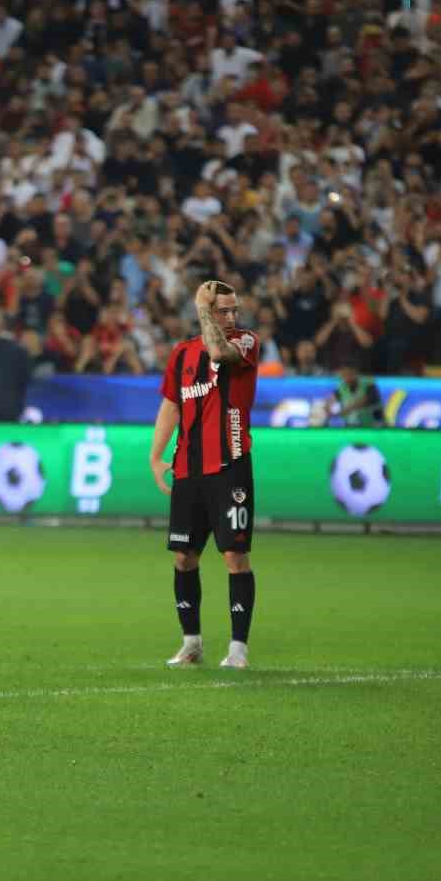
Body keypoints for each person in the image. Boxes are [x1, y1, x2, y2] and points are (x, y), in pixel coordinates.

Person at [149, 280, 260, 670]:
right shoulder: (181, 355)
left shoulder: (245, 343)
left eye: (234, 310)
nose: (231, 318)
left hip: (230, 468)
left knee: (235, 556)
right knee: (183, 557)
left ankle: (238, 649)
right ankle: (191, 643)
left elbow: (217, 349)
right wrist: (156, 456)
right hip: (188, 471)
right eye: (223, 311)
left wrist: (203, 307)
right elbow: (170, 406)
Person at [326, 361, 383, 426]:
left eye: (348, 374)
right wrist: (329, 406)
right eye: (343, 375)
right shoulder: (342, 387)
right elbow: (332, 400)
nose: (346, 378)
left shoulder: (369, 384)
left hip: (372, 425)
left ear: (355, 372)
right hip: (351, 426)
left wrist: (347, 410)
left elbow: (367, 400)